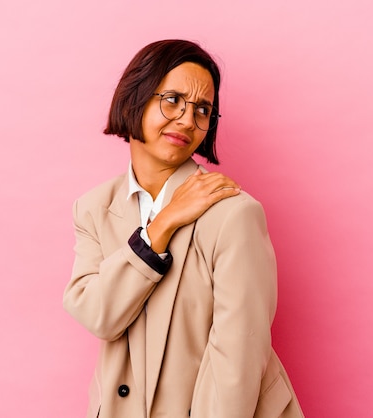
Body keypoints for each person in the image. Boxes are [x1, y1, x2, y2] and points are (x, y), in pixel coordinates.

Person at [63, 39, 304, 418]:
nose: (189, 121)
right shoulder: (93, 209)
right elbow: (99, 316)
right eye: (173, 99)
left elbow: (237, 357)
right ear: (135, 98)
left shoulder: (233, 214)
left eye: (203, 109)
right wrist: (162, 225)